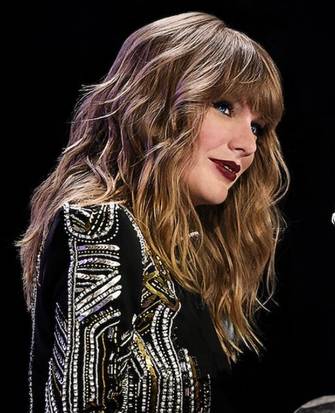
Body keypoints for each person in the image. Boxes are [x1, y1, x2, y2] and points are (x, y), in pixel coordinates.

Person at [16, 11, 289, 412]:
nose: (247, 145)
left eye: (258, 127)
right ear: (157, 104)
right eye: (224, 106)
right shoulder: (99, 225)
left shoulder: (183, 258)